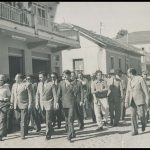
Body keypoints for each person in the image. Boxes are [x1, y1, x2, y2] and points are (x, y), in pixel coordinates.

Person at [125, 68, 150, 136]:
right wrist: (126, 101)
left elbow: (145, 89)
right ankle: (135, 131)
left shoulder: (140, 79)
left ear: (131, 73)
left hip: (140, 100)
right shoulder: (129, 80)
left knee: (141, 115)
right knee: (132, 116)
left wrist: (147, 98)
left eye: (128, 73)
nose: (127, 74)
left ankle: (143, 123)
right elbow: (128, 92)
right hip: (132, 101)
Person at [36, 71, 58, 140]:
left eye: (41, 77)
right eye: (39, 77)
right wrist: (37, 103)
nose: (40, 78)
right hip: (41, 104)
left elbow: (55, 95)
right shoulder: (39, 84)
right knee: (45, 119)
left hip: (49, 103)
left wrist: (55, 103)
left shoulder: (51, 84)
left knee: (48, 120)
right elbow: (37, 94)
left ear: (45, 77)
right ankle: (50, 129)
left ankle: (48, 135)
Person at [10, 73, 33, 139]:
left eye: (16, 78)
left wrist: (30, 104)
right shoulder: (14, 85)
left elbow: (30, 95)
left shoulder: (27, 85)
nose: (15, 79)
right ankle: (25, 129)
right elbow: (12, 95)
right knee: (18, 119)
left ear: (20, 79)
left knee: (23, 120)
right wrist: (11, 103)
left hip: (24, 104)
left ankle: (22, 135)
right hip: (16, 105)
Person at [57, 70, 76, 142]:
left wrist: (69, 83)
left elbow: (75, 91)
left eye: (65, 75)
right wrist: (57, 102)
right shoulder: (61, 83)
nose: (64, 76)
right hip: (64, 104)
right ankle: (73, 132)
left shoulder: (73, 82)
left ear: (69, 75)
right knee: (67, 120)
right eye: (63, 75)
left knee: (70, 119)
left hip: (71, 103)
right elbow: (58, 93)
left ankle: (69, 136)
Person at [0, 74, 11, 141]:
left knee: (2, 119)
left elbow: (9, 96)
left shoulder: (6, 87)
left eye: (1, 80)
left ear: (3, 80)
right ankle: (4, 132)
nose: (0, 81)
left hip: (3, 104)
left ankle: (0, 135)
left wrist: (6, 99)